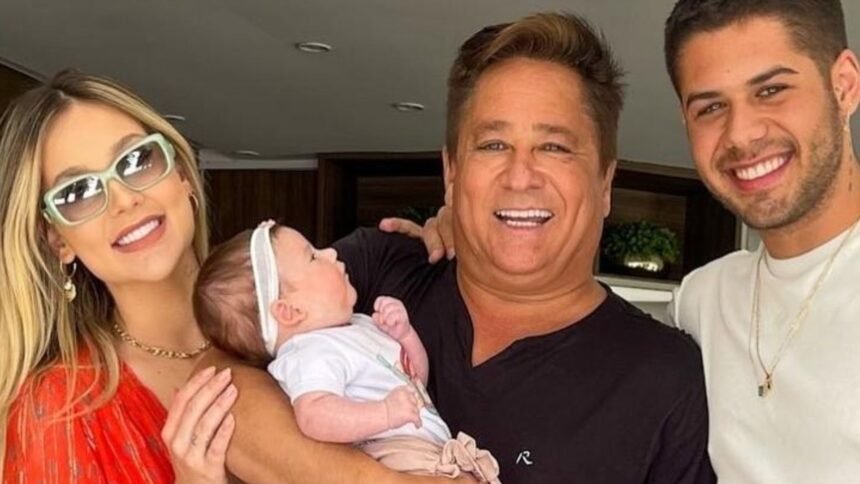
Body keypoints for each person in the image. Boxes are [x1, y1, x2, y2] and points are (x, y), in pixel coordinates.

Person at [215, 12, 715, 483]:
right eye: (493, 145)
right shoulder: (376, 269)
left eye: (554, 147)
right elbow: (216, 384)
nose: (520, 176)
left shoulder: (663, 376)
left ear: (605, 182)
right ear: (451, 174)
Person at [0, 71, 438, 483]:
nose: (124, 200)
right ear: (58, 241)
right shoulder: (57, 409)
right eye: (77, 192)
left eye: (136, 160)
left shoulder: (316, 302)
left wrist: (451, 231)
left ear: (182, 175)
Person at [663, 0, 860, 481]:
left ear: (844, 85)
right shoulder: (700, 301)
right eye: (711, 107)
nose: (741, 135)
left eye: (771, 90)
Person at [193, 221, 500, 482]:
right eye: (313, 256)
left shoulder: (356, 325)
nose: (331, 253)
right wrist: (384, 413)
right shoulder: (309, 353)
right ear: (289, 311)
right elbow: (314, 415)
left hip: (431, 452)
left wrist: (405, 335)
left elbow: (415, 379)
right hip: (394, 454)